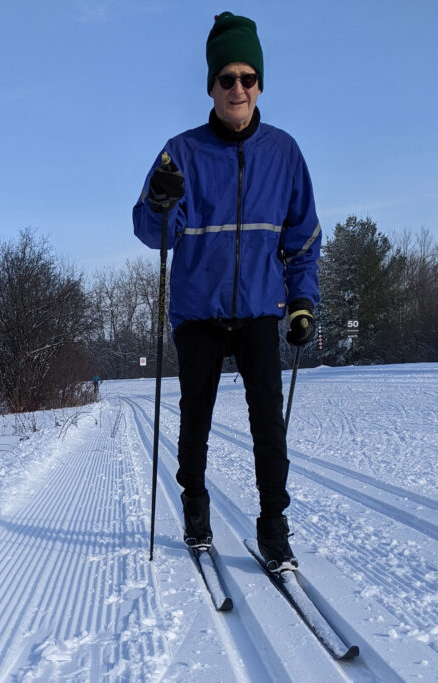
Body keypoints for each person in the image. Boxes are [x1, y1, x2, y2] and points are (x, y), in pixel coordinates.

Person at [132, 11, 320, 572]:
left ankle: (272, 525)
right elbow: (150, 231)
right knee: (196, 418)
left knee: (268, 421)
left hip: (261, 305)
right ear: (211, 86)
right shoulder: (181, 152)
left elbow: (303, 236)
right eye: (226, 78)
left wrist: (304, 299)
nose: (237, 88)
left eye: (247, 77)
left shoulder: (284, 153)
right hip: (199, 310)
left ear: (260, 83)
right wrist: (160, 203)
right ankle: (194, 504)